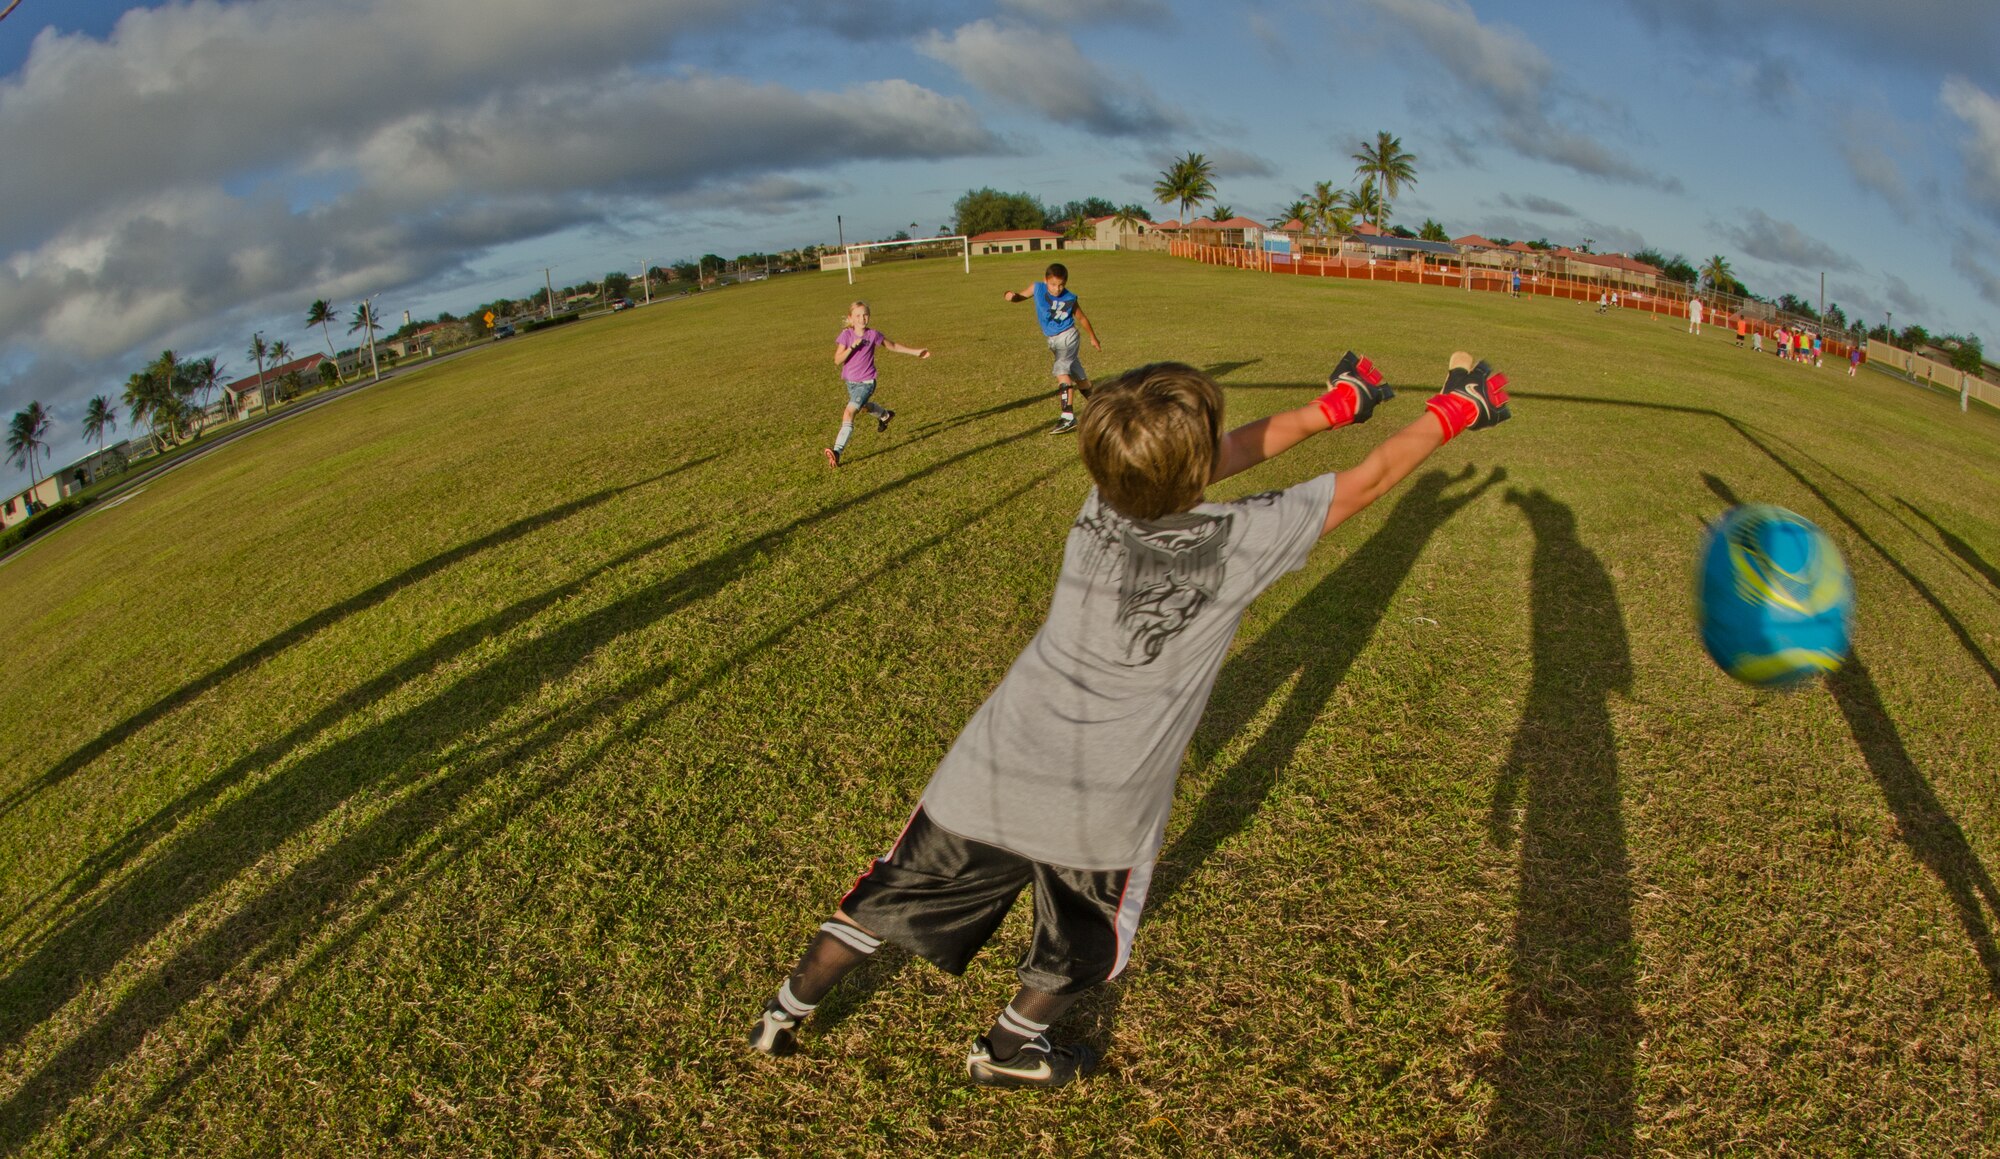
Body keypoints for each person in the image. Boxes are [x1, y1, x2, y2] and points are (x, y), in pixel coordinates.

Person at [745, 349, 1514, 1088]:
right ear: (1195, 462)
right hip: (1102, 810)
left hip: (989, 771)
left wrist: (1334, 407)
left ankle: (783, 1012)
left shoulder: (1103, 497)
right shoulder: (1243, 540)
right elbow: (1372, 479)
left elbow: (1221, 453)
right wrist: (1459, 407)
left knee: (884, 900)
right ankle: (1007, 1050)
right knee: (1079, 947)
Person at [824, 300, 930, 469]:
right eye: (858, 315)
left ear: (869, 316)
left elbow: (893, 346)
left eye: (865, 315)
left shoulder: (873, 335)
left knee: (849, 412)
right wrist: (852, 347)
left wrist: (916, 352)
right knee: (863, 407)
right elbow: (837, 360)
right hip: (851, 383)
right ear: (851, 318)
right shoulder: (846, 335)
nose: (862, 318)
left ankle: (837, 451)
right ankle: (885, 415)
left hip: (866, 382)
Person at [1004, 263, 1101, 434]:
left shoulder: (1070, 297)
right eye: (1053, 284)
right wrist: (1011, 295)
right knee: (1078, 375)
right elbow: (1020, 296)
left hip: (1068, 336)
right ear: (1045, 280)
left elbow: (1082, 318)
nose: (1057, 289)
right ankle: (1101, 407)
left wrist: (1093, 337)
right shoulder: (1038, 288)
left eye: (1061, 285)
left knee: (1061, 370)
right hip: (1054, 340)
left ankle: (1068, 417)